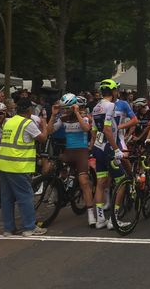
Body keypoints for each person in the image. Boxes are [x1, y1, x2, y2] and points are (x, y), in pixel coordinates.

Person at [0, 98, 48, 236]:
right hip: (18, 165)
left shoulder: (8, 121)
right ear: (29, 110)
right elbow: (42, 138)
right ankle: (29, 227)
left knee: (7, 198)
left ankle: (8, 228)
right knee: (25, 196)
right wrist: (44, 125)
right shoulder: (27, 123)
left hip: (3, 164)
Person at [48, 93, 96, 227]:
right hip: (68, 151)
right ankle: (58, 188)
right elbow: (49, 130)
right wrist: (53, 115)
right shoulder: (63, 118)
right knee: (53, 167)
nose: (65, 110)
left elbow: (86, 129)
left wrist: (77, 113)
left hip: (81, 151)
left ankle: (91, 214)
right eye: (64, 108)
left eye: (68, 108)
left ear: (75, 106)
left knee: (84, 181)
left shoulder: (85, 117)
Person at [91, 79, 128, 229]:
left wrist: (92, 146)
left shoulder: (96, 107)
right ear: (113, 91)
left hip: (97, 147)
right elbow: (107, 129)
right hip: (108, 147)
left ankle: (100, 219)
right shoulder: (111, 105)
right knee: (122, 181)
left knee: (101, 182)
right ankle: (114, 219)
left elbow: (94, 130)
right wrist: (117, 149)